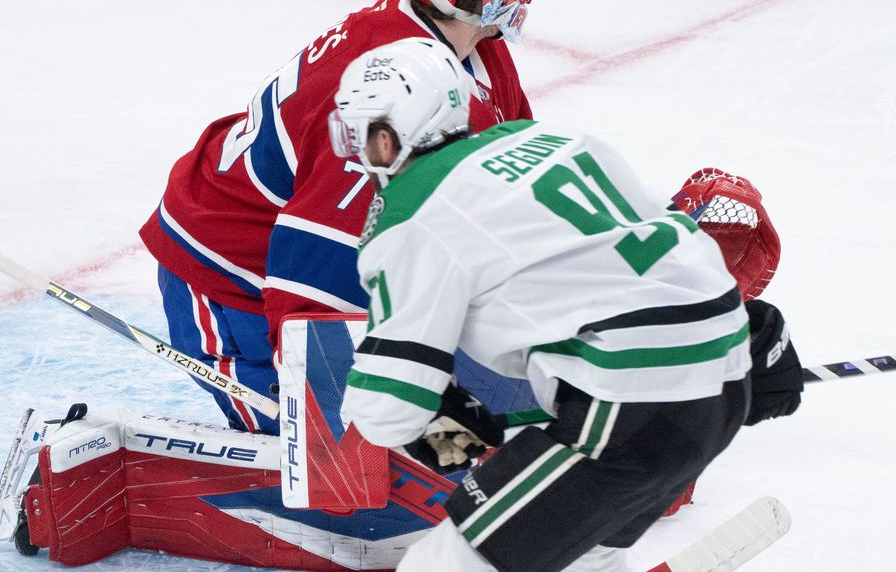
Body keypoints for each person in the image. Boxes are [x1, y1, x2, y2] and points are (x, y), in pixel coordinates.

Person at [330, 37, 805, 571]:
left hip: (627, 405)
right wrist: (748, 330)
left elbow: (389, 404)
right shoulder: (546, 139)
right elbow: (665, 240)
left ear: (391, 134)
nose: (357, 152)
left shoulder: (410, 214)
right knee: (583, 558)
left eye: (359, 134)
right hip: (720, 384)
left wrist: (440, 427)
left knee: (444, 565)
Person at [140, 0, 545, 433]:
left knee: (504, 409)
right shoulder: (383, 103)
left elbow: (510, 175)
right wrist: (327, 421)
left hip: (321, 258)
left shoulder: (473, 48)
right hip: (235, 283)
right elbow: (314, 287)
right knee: (375, 456)